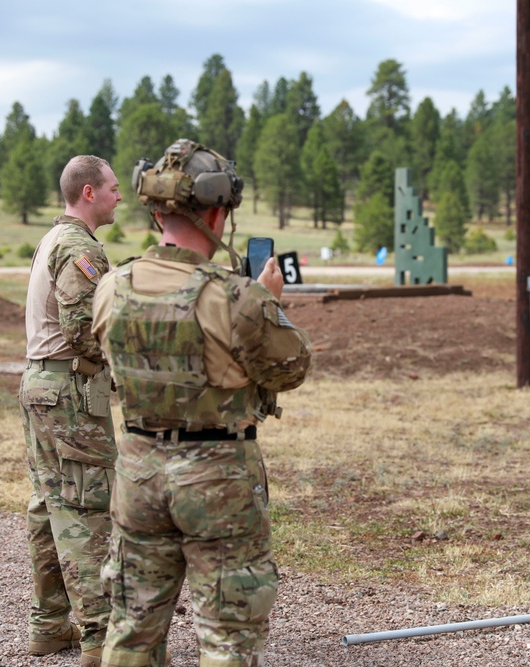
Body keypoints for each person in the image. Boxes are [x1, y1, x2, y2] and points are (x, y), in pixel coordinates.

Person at [92, 138, 312, 666]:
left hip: (139, 471)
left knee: (131, 629)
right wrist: (269, 305)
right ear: (217, 212)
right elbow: (292, 368)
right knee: (227, 635)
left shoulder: (111, 287)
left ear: (155, 209)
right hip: (217, 481)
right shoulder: (234, 297)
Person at [18, 155, 121, 666]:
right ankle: (100, 637)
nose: (119, 197)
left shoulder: (51, 240)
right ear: (89, 193)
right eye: (113, 188)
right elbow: (85, 331)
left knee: (47, 502)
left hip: (43, 384)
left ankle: (48, 624)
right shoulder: (79, 247)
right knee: (85, 504)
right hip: (71, 389)